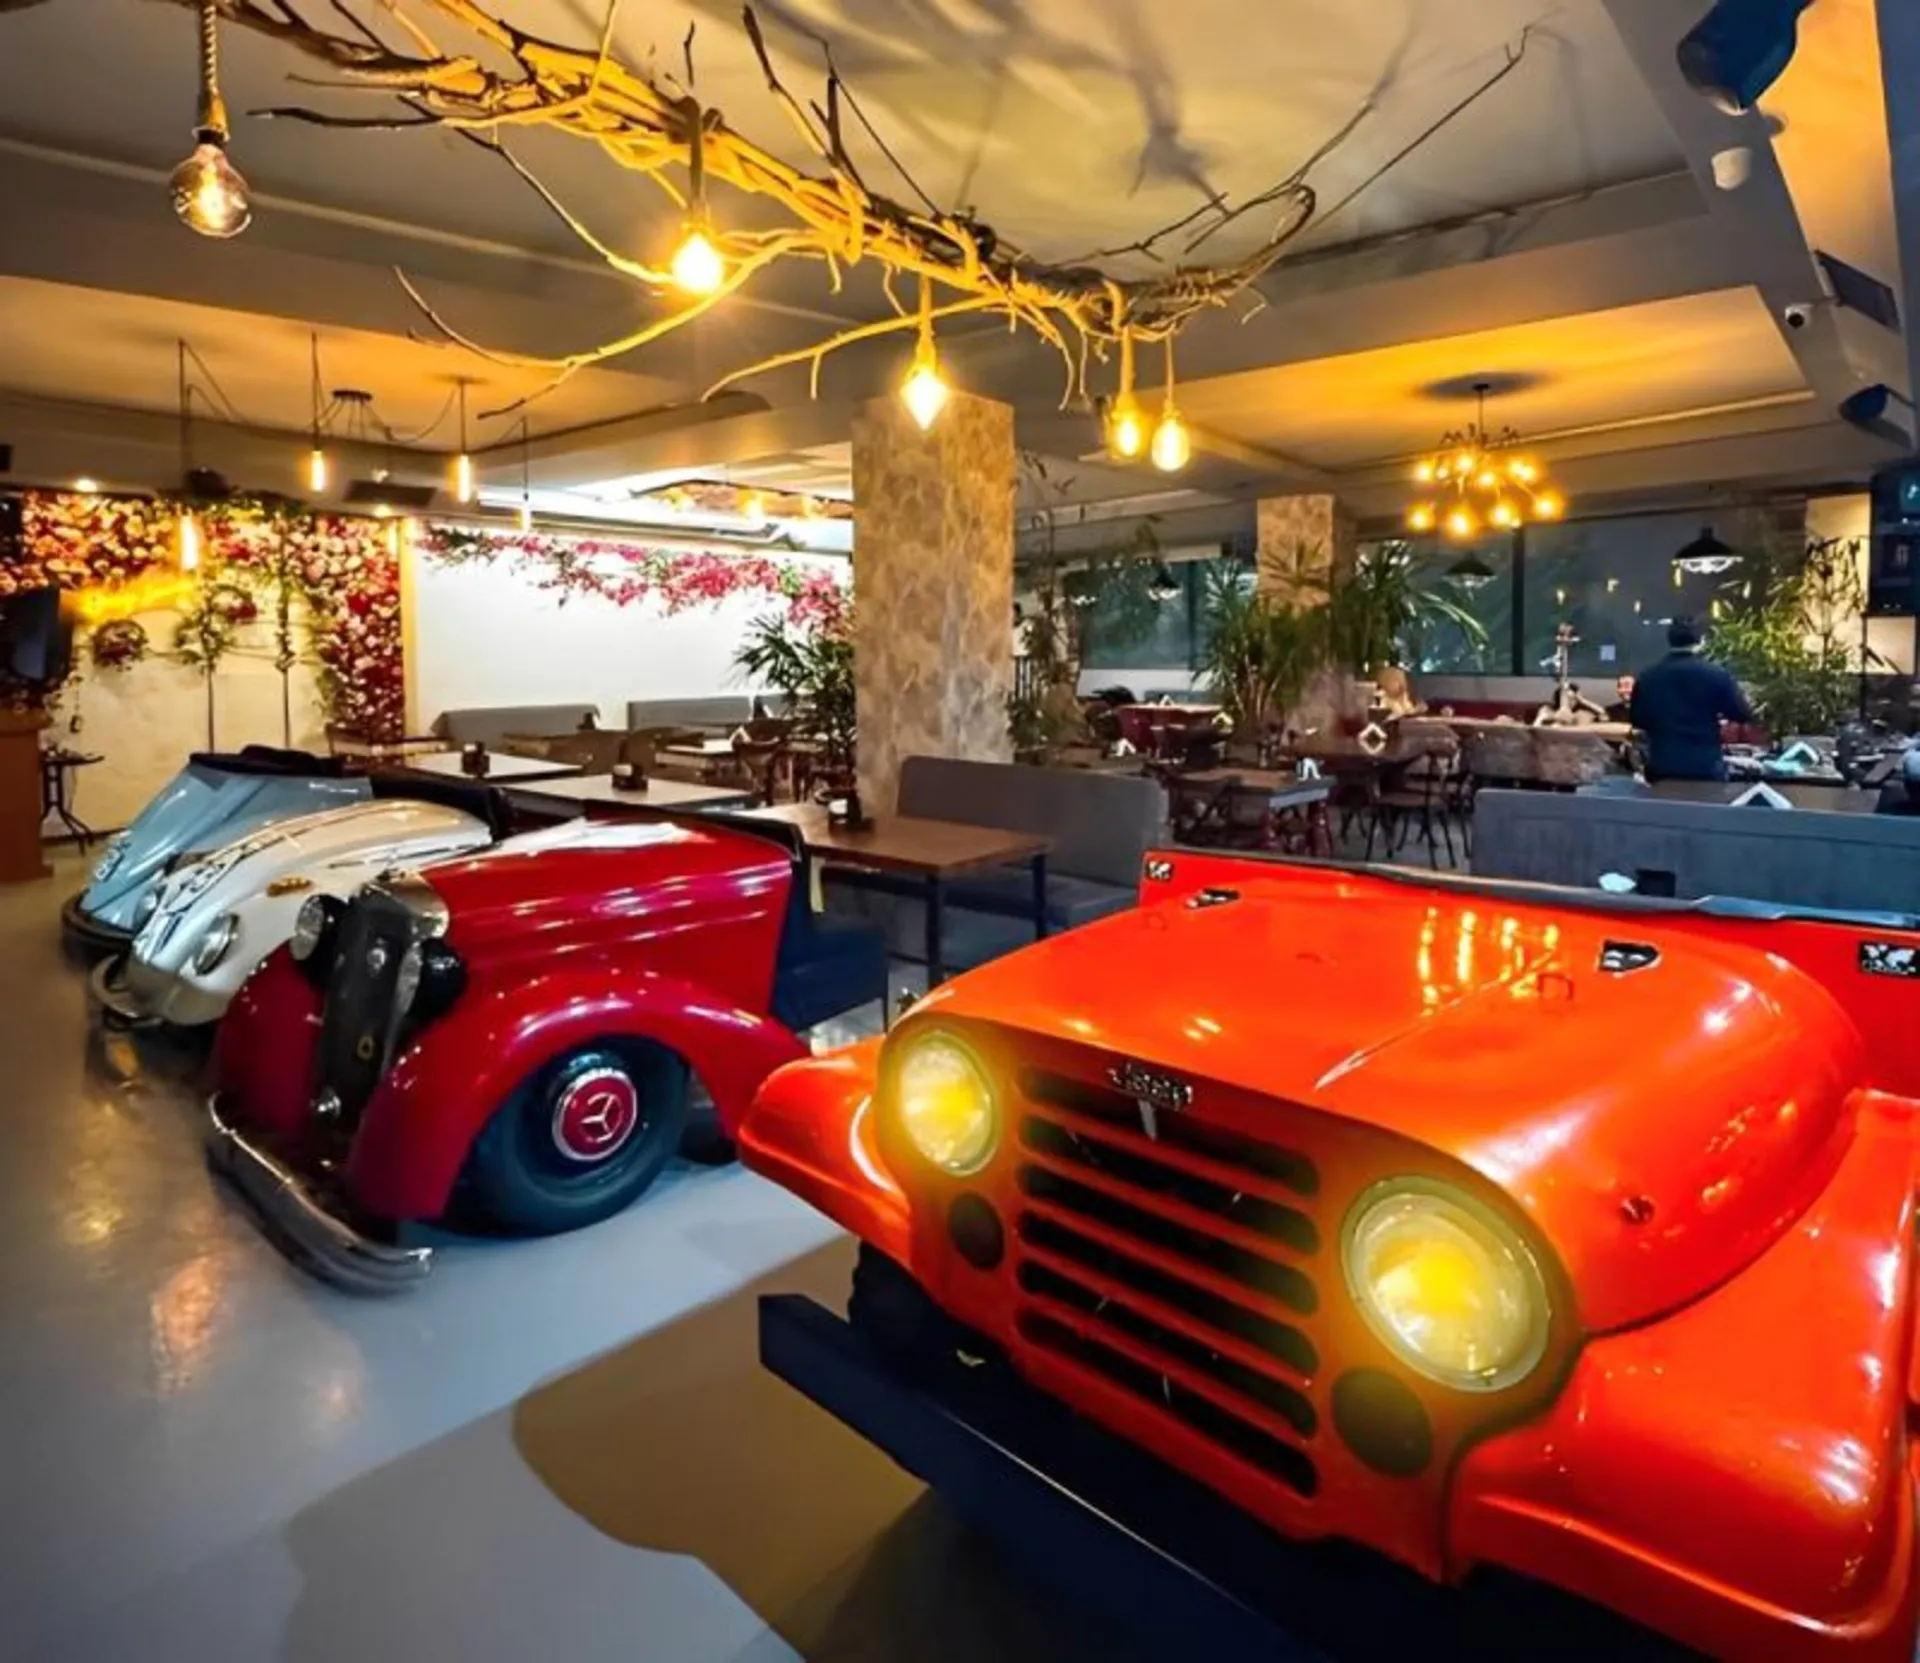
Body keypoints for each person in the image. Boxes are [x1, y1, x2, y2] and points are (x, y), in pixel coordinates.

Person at [1628, 618, 1754, 781]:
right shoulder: (1716, 674)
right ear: (1700, 641)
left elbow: (1637, 719)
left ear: (1669, 640)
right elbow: (1742, 714)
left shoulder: (1648, 677)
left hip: (1662, 763)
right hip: (1705, 764)